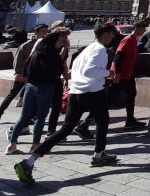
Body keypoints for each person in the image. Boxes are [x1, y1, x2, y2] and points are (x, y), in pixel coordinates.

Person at [13, 23, 119, 185]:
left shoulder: (88, 49)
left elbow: (75, 69)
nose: (113, 37)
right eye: (112, 33)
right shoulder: (100, 50)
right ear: (105, 34)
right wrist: (109, 73)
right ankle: (98, 156)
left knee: (65, 130)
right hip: (92, 92)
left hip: (76, 92)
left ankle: (29, 161)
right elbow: (89, 71)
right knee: (102, 122)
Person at [77, 19, 148, 134]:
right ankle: (84, 124)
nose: (144, 31)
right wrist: (117, 74)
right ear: (137, 28)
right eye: (143, 28)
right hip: (119, 75)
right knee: (106, 101)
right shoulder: (128, 39)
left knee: (131, 95)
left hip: (127, 75)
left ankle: (130, 120)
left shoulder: (134, 40)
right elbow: (118, 57)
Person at [5, 31, 68, 155]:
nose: (62, 43)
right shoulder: (52, 55)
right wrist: (64, 52)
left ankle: (11, 145)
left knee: (24, 117)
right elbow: (56, 71)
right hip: (45, 88)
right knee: (40, 117)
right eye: (61, 41)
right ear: (54, 41)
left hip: (30, 86)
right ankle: (35, 145)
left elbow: (26, 68)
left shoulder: (36, 53)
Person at [0, 24, 49, 124]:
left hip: (36, 75)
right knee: (13, 94)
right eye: (43, 31)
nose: (45, 33)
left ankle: (32, 117)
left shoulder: (46, 45)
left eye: (46, 31)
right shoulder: (26, 45)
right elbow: (17, 60)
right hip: (23, 73)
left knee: (34, 96)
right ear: (36, 32)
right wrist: (18, 72)